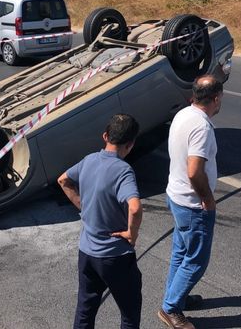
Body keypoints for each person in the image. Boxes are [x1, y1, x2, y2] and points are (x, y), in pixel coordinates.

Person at [57, 114, 143, 329]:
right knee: (129, 312)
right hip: (114, 256)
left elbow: (63, 180)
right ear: (130, 144)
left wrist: (83, 206)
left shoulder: (89, 160)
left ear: (105, 136)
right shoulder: (123, 171)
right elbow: (134, 207)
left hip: (87, 252)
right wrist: (131, 234)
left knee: (86, 308)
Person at [158, 75, 223, 329]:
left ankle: (177, 296)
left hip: (175, 196)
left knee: (181, 252)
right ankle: (171, 308)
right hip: (192, 204)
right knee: (196, 260)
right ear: (216, 98)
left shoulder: (184, 113)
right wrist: (207, 200)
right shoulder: (202, 127)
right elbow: (195, 170)